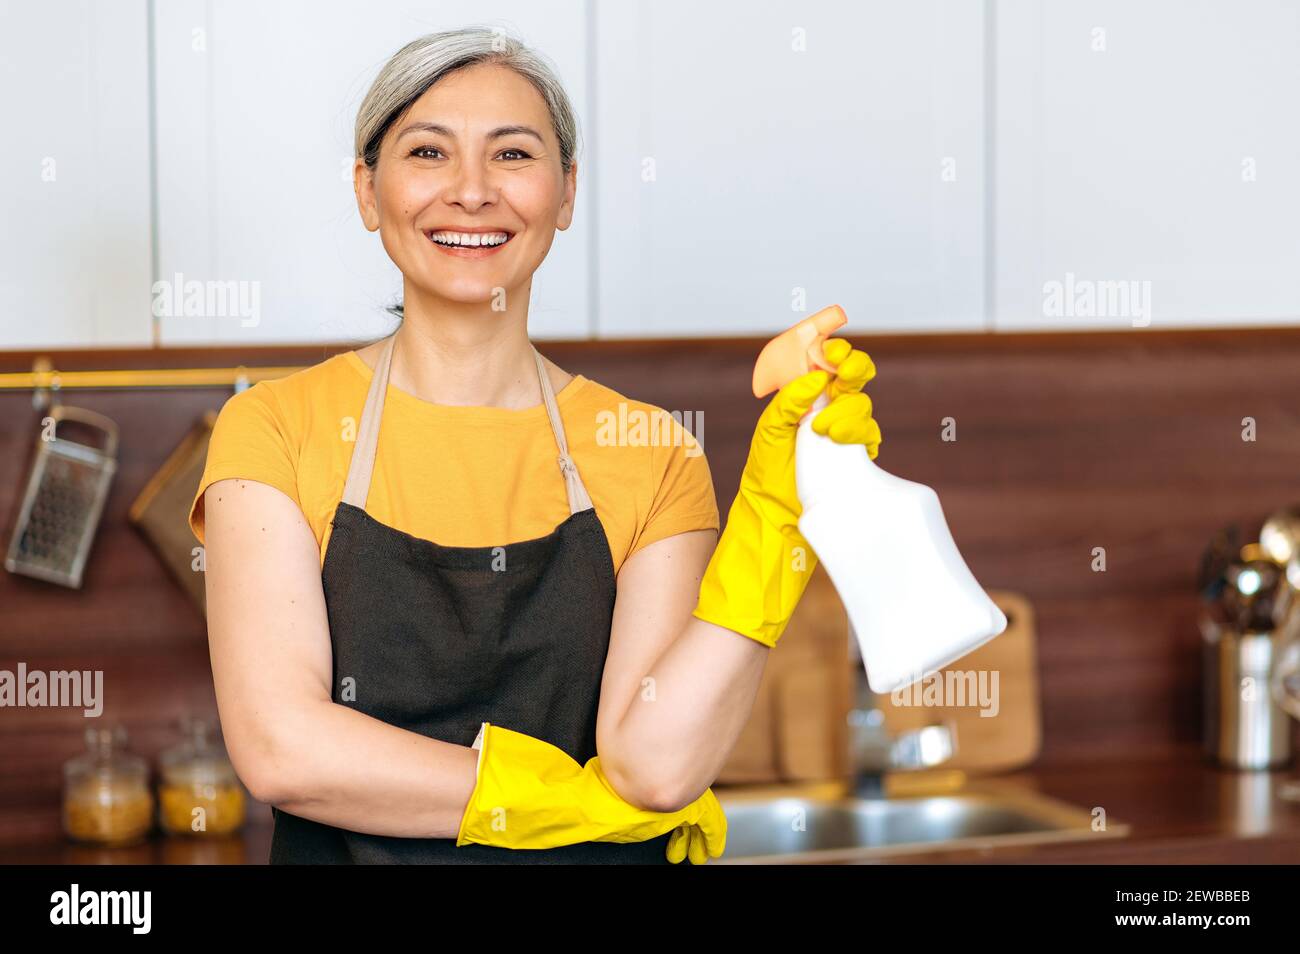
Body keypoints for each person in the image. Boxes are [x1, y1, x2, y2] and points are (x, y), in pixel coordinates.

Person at [188, 26, 880, 865]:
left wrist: (778, 516)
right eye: (429, 152)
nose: (472, 192)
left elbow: (657, 768)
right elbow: (283, 750)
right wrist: (559, 800)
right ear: (369, 192)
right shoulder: (274, 429)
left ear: (565, 193)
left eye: (513, 155)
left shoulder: (651, 451)